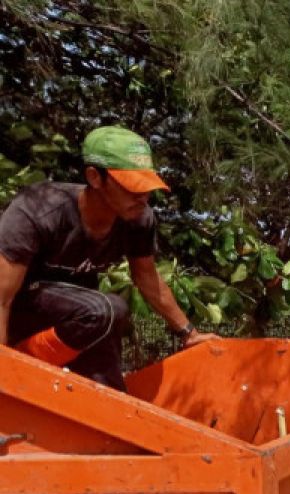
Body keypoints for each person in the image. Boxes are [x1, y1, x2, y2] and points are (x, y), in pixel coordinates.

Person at [0, 125, 216, 390]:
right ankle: (25, 359)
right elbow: (2, 296)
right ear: (94, 177)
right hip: (21, 313)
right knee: (106, 309)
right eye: (131, 188)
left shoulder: (138, 220)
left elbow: (146, 277)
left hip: (77, 320)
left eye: (146, 188)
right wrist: (6, 369)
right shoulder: (38, 209)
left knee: (113, 396)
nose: (143, 197)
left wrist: (189, 334)